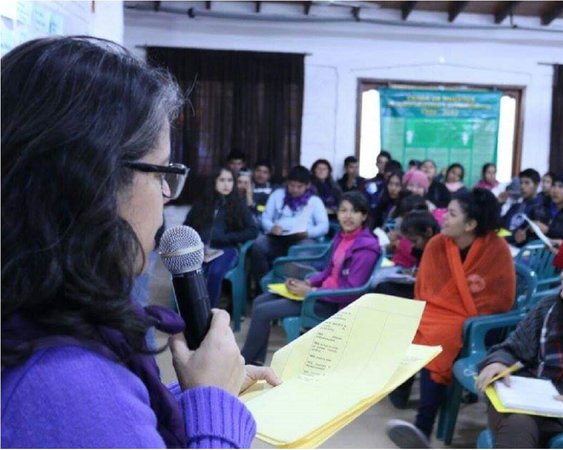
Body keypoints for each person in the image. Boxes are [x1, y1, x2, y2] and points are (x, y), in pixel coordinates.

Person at [1, 36, 280, 448]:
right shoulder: (62, 379)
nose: (168, 195)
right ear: (93, 181)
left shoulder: (37, 324)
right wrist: (216, 407)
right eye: (160, 173)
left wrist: (194, 395)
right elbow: (85, 418)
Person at [387, 188, 516, 445]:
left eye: (452, 214)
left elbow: (501, 299)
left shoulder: (497, 249)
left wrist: (463, 314)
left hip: (477, 322)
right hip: (436, 310)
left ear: (470, 224)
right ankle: (399, 393)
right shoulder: (437, 244)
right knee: (407, 323)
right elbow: (424, 289)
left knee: (438, 337)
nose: (443, 217)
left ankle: (423, 426)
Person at [476, 236, 563, 448]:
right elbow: (513, 347)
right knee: (516, 422)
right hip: (536, 396)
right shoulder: (551, 307)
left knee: (518, 426)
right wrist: (498, 363)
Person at [241, 192, 381, 365]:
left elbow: (351, 292)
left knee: (263, 311)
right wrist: (307, 283)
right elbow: (328, 271)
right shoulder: (343, 236)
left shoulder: (365, 248)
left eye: (355, 211)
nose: (348, 216)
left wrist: (312, 291)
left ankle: (244, 363)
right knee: (260, 301)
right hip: (319, 294)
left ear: (364, 215)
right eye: (344, 210)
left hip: (331, 303)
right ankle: (255, 362)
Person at [184, 167, 258, 307]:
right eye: (222, 180)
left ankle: (208, 312)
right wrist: (196, 241)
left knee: (216, 271)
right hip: (202, 248)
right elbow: (187, 226)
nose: (226, 184)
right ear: (214, 182)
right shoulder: (202, 203)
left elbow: (253, 231)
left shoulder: (238, 204)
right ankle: (189, 311)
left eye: (230, 180)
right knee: (190, 271)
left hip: (227, 249)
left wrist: (227, 237)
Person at [250, 165, 329, 289]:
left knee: (302, 254)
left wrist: (307, 233)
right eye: (292, 185)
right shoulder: (278, 195)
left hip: (303, 238)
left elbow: (324, 226)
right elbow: (265, 218)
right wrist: (272, 227)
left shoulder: (314, 201)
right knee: (258, 245)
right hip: (278, 237)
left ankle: (292, 288)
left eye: (299, 187)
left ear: (307, 185)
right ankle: (265, 285)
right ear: (287, 183)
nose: (295, 190)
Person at [501, 168, 543, 246]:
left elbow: (528, 236)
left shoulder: (540, 208)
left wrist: (508, 236)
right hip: (506, 245)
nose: (522, 186)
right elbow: (500, 224)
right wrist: (499, 204)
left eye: (527, 183)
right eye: (521, 183)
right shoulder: (517, 206)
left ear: (536, 185)